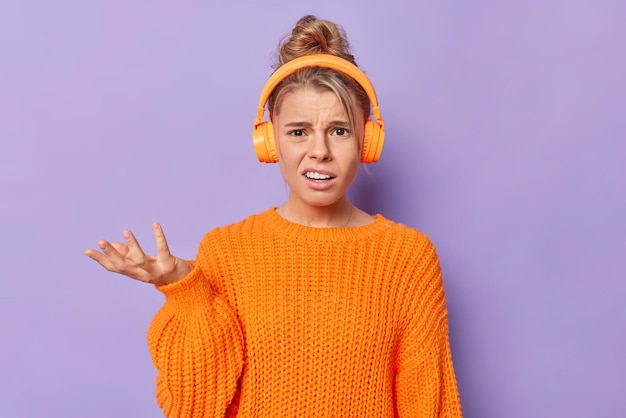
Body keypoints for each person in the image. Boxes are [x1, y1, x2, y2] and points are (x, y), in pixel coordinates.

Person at [84, 15, 462, 417]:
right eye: (298, 131)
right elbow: (194, 405)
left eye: (339, 130)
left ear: (367, 141)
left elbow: (428, 404)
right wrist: (185, 290)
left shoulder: (408, 258)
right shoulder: (226, 251)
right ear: (269, 142)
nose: (319, 151)